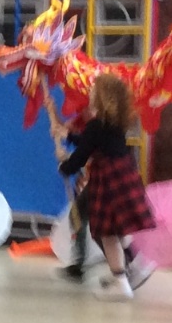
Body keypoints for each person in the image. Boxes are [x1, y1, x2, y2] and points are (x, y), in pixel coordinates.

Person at [55, 75, 156, 301]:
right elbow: (91, 143)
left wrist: (65, 167)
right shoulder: (113, 123)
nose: (90, 94)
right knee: (114, 232)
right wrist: (69, 136)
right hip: (123, 176)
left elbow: (82, 156)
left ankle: (122, 280)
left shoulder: (95, 125)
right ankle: (129, 270)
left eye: (93, 92)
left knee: (108, 233)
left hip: (108, 181)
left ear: (102, 98)